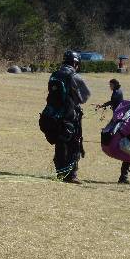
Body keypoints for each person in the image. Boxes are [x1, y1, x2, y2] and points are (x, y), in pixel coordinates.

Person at [51, 50, 91, 184]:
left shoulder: (55, 74)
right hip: (70, 116)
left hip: (55, 114)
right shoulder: (74, 76)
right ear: (75, 63)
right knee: (74, 144)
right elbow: (85, 96)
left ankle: (60, 173)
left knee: (60, 144)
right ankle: (71, 175)